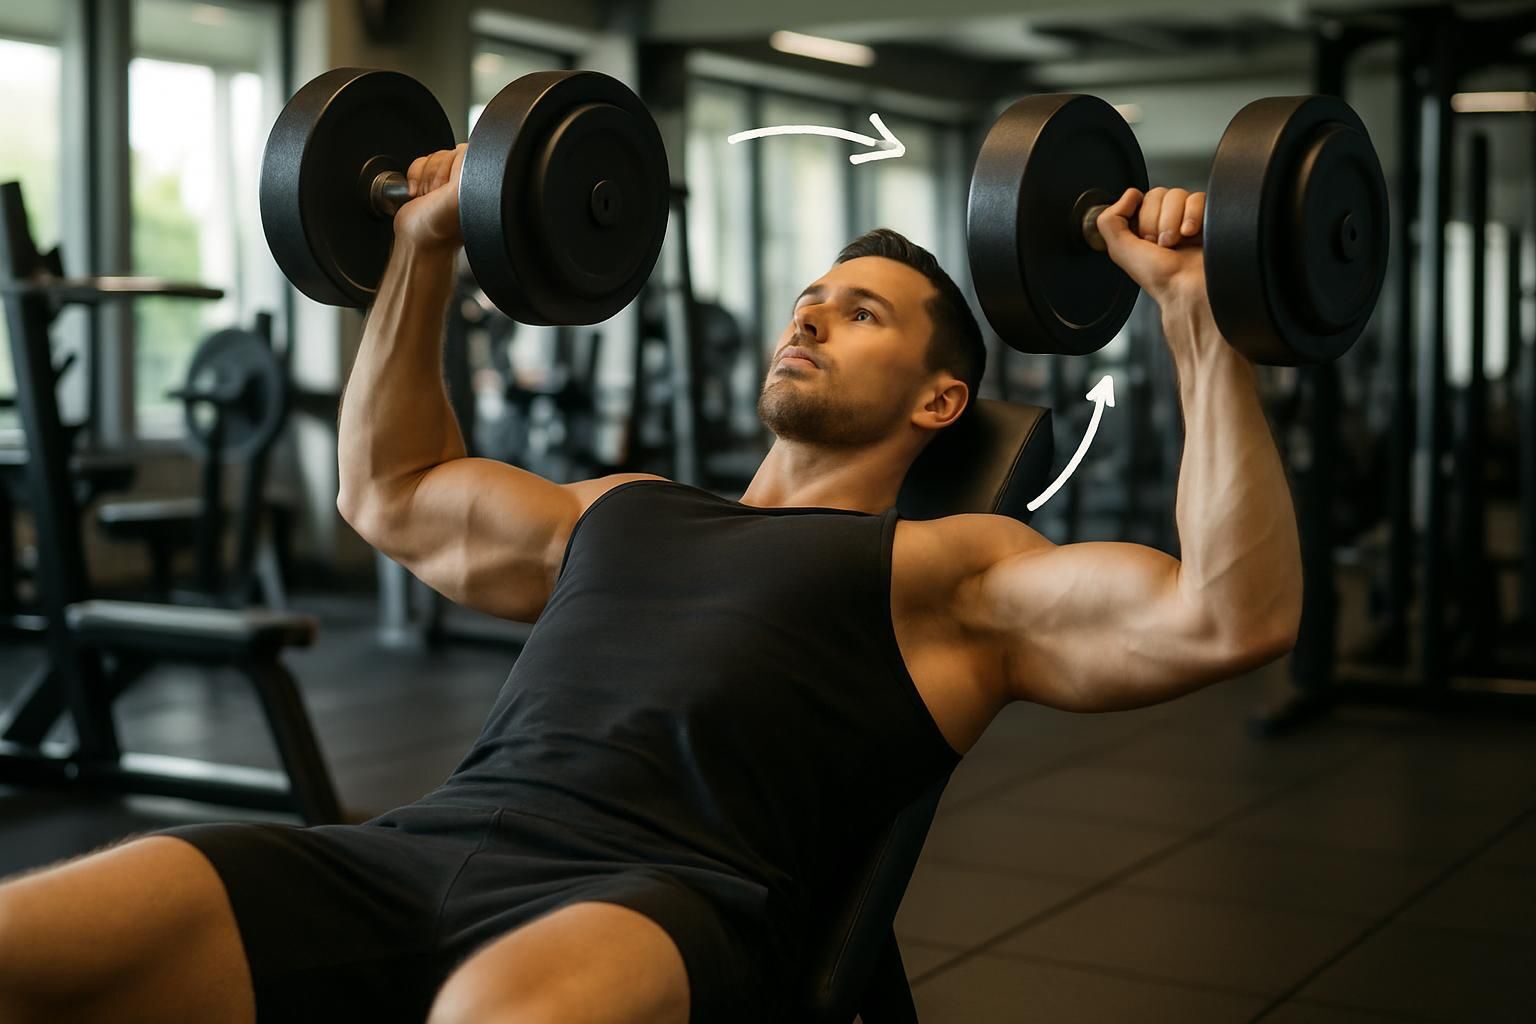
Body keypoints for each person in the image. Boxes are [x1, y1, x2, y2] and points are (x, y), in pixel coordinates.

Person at [0, 143, 1302, 1024]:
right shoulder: (620, 512)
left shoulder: (946, 569)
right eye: (809, 297)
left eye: (859, 312)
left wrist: (1195, 315)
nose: (806, 318)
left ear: (940, 397)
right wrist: (426, 242)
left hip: (659, 903)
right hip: (415, 854)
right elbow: (388, 490)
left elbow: (1229, 613)